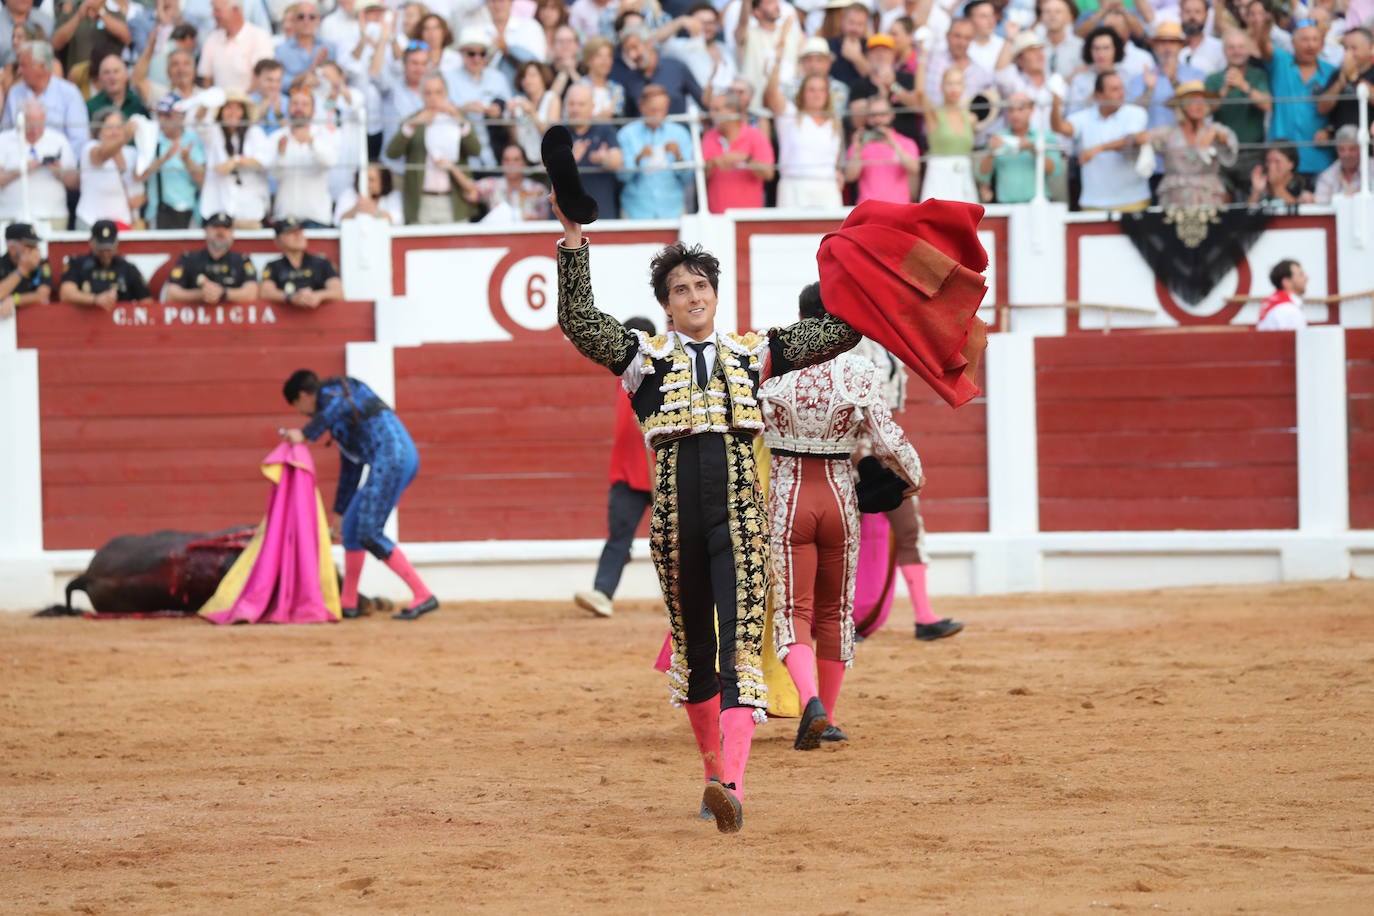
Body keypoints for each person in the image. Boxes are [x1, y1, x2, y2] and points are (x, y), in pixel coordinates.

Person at [551, 190, 862, 834]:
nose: (693, 296)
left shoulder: (755, 353)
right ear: (666, 305)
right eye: (680, 289)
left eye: (701, 286)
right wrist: (573, 236)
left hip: (742, 525)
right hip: (674, 528)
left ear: (715, 294)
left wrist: (855, 269)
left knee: (739, 652)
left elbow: (837, 332)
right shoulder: (645, 360)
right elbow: (580, 320)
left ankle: (732, 786)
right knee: (695, 652)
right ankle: (709, 773)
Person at [759, 282, 926, 751]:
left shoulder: (770, 363)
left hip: (789, 495)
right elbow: (890, 441)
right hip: (839, 496)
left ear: (801, 317)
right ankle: (827, 717)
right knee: (835, 612)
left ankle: (808, 701)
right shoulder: (860, 371)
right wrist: (912, 481)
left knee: (795, 610)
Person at [282, 370, 438, 621]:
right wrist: (340, 512)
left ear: (302, 396)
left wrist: (307, 433)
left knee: (369, 532)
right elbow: (351, 468)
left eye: (299, 406)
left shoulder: (336, 393)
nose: (302, 413)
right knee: (353, 527)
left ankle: (423, 594)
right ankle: (349, 601)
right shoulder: (337, 414)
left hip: (392, 456)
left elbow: (339, 405)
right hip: (392, 457)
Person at [574, 314, 659, 620]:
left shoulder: (662, 373)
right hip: (627, 472)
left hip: (662, 472)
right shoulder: (623, 373)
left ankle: (693, 598)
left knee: (681, 540)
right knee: (619, 537)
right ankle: (602, 592)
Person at [385, 71, 482, 224]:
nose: (433, 98)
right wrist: (412, 125)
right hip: (422, 201)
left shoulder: (458, 118)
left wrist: (458, 119)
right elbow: (392, 153)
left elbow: (475, 150)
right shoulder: (413, 120)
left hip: (454, 200)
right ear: (421, 95)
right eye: (428, 93)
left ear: (446, 93)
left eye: (438, 92)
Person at [1050, 69, 1151, 211]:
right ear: (1099, 95)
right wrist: (1056, 99)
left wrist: (1098, 149)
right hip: (1093, 201)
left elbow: (1133, 139)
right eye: (1114, 89)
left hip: (1133, 199)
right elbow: (1059, 127)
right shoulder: (1084, 116)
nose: (1121, 93)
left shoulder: (1136, 113)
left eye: (1121, 88)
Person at [1139, 81, 1237, 209]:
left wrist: (1216, 134)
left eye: (1203, 101)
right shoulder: (1168, 134)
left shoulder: (1216, 130)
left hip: (1208, 198)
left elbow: (1229, 143)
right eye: (1193, 102)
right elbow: (1138, 139)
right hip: (1175, 200)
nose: (1199, 106)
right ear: (1182, 106)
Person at [1204, 28, 1272, 201]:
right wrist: (1223, 92)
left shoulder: (1258, 75)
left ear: (1249, 50)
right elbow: (1203, 111)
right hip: (1222, 152)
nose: (1236, 51)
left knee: (1255, 200)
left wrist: (1244, 86)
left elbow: (1266, 105)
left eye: (1241, 47)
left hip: (1253, 151)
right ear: (1224, 51)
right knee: (1221, 200)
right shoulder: (1213, 79)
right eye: (1231, 47)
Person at [616, 83, 694, 219]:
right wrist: (638, 159)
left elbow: (688, 178)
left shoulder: (680, 134)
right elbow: (621, 177)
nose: (658, 115)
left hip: (672, 210)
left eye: (662, 110)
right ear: (641, 106)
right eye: (653, 110)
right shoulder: (627, 133)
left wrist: (678, 157)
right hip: (636, 210)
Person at [0, 99, 77, 234]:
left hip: (53, 217)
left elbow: (75, 183)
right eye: (30, 125)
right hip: (9, 216)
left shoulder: (59, 140)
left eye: (39, 124)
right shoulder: (4, 140)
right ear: (20, 120)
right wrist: (23, 168)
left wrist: (59, 172)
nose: (35, 130)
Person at [268, 87, 340, 227]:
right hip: (285, 217)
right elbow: (272, 175)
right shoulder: (277, 137)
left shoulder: (324, 135)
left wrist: (312, 142)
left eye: (305, 104)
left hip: (316, 218)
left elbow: (330, 162)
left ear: (313, 110)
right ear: (288, 108)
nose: (299, 108)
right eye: (295, 104)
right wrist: (281, 153)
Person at [976, 90, 1064, 203]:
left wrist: (1033, 149)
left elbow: (1055, 171)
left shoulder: (1044, 137)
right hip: (1006, 207)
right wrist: (991, 154)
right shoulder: (998, 138)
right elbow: (982, 176)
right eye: (1011, 110)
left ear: (1031, 109)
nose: (1015, 115)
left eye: (1020, 109)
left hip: (1038, 206)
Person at [137, 93, 206, 229]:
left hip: (190, 211)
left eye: (167, 115)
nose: (162, 120)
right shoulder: (151, 139)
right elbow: (139, 175)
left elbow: (202, 180)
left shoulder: (194, 140)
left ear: (182, 117)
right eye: (159, 115)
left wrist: (187, 160)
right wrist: (164, 158)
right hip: (158, 213)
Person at [701, 88, 775, 213]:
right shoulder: (709, 137)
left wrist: (745, 159)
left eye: (717, 110)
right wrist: (713, 163)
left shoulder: (755, 136)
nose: (712, 115)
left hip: (749, 216)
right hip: (717, 216)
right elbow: (699, 177)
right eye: (712, 110)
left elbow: (769, 173)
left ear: (733, 111)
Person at [165, 212, 260, 303]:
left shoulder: (242, 260)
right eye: (216, 227)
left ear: (232, 233)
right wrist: (200, 295)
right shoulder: (189, 259)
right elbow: (171, 293)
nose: (221, 232)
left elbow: (252, 292)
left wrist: (223, 293)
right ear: (206, 231)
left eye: (226, 228)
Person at [561, 82, 623, 220]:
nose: (575, 109)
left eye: (581, 104)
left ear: (592, 107)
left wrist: (605, 159)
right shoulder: (557, 131)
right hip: (564, 218)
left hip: (601, 215)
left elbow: (617, 161)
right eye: (571, 104)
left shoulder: (605, 130)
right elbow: (544, 166)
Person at [843, 95, 921, 204]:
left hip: (899, 208)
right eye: (873, 115)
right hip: (869, 209)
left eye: (882, 114)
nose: (878, 120)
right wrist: (858, 150)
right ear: (867, 118)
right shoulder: (859, 144)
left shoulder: (906, 143)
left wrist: (894, 145)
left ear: (891, 115)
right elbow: (850, 177)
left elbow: (914, 168)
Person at [57, 219, 152, 308]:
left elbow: (147, 301)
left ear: (116, 243)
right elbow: (66, 294)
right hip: (84, 322)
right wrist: (95, 300)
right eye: (101, 248)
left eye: (109, 248)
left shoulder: (127, 268)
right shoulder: (77, 264)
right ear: (91, 242)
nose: (105, 253)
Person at [260, 217, 344, 308]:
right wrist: (291, 297)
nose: (298, 235)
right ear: (278, 241)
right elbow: (265, 292)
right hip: (286, 319)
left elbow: (338, 292)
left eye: (300, 231)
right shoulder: (273, 266)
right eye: (291, 232)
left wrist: (318, 296)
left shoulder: (322, 263)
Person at [196, 0, 276, 94]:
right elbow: (206, 78)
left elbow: (262, 78)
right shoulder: (213, 38)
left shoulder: (260, 37)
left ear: (235, 10)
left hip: (250, 104)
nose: (213, 15)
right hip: (219, 105)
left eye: (217, 10)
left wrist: (241, 105)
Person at [473, 142, 552, 221]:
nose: (511, 164)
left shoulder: (538, 189)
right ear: (501, 163)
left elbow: (543, 220)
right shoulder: (491, 185)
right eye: (506, 160)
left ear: (525, 162)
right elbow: (471, 192)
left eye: (516, 160)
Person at [0, 221, 52, 317]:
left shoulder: (42, 263)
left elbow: (42, 295)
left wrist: (15, 299)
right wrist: (22, 270)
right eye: (30, 246)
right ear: (12, 248)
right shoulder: (2, 264)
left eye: (36, 245)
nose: (35, 250)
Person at [1314, 125, 1374, 202]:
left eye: (1352, 149)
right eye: (1342, 149)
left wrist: (1360, 194)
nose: (1347, 155)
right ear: (1336, 150)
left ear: (1361, 149)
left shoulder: (1372, 167)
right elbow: (1320, 205)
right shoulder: (1327, 176)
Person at [1248, 143, 1314, 210]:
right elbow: (1248, 213)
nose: (1271, 166)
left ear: (1291, 163)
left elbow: (1298, 212)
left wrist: (1277, 186)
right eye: (1268, 161)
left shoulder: (1303, 184)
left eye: (1277, 161)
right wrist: (1256, 192)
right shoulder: (1262, 182)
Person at [1256, 259, 1308, 331]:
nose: (1306, 278)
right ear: (1286, 282)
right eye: (1301, 274)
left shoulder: (1271, 303)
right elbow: (1299, 340)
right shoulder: (1288, 309)